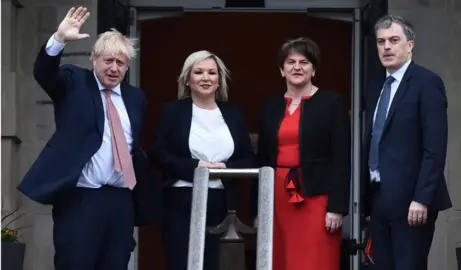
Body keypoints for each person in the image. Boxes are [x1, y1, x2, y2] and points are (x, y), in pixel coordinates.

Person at [17, 6, 162, 270]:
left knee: (116, 264)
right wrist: (59, 38)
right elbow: (44, 74)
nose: (114, 68)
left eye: (121, 63)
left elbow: (132, 145)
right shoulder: (74, 82)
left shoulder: (135, 97)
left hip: (120, 199)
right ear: (94, 60)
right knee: (75, 263)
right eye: (108, 60)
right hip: (82, 198)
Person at [148, 50, 254, 270]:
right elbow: (157, 153)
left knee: (216, 264)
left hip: (222, 203)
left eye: (211, 73)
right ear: (188, 79)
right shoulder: (172, 111)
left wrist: (224, 168)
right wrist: (197, 167)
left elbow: (249, 158)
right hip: (181, 200)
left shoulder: (233, 115)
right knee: (181, 263)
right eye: (199, 72)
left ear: (219, 80)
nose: (206, 77)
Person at [252, 37, 351, 270]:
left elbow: (341, 159)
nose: (297, 67)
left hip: (316, 197)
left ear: (313, 68)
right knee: (279, 259)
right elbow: (263, 158)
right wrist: (256, 209)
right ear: (281, 70)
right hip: (277, 196)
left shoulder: (332, 103)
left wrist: (337, 207)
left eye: (304, 62)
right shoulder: (270, 105)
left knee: (315, 260)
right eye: (290, 62)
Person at [362, 14, 451, 270]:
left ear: (410, 44)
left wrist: (422, 198)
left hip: (412, 201)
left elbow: (434, 147)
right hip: (379, 198)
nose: (387, 47)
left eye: (394, 40)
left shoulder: (427, 83)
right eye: (381, 42)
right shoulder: (375, 84)